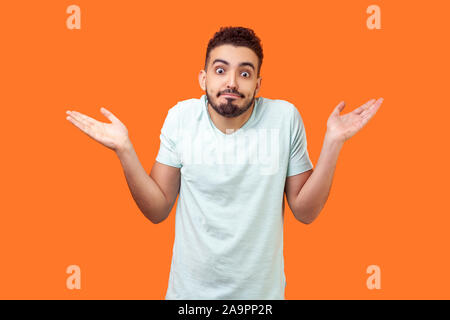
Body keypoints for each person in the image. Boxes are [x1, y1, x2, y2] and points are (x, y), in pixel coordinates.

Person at [65, 26, 383, 300]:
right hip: (189, 298)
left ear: (257, 84)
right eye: (220, 70)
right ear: (203, 78)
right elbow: (158, 208)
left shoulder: (284, 118)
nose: (231, 82)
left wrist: (332, 143)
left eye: (244, 73)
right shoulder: (181, 118)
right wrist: (125, 150)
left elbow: (305, 211)